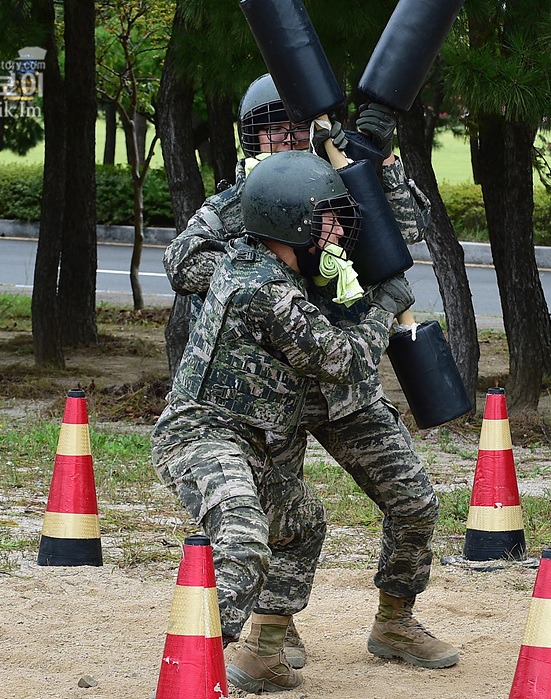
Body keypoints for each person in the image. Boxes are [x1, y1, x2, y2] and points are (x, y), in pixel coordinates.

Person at [164, 74, 459, 681]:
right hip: (274, 399)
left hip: (343, 388)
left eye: (297, 125)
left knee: (414, 500)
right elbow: (184, 261)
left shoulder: (346, 184)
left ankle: (395, 620)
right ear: (254, 136)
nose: (287, 137)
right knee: (285, 520)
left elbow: (406, 232)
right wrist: (278, 261)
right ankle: (273, 636)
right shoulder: (249, 202)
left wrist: (374, 168)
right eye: (273, 127)